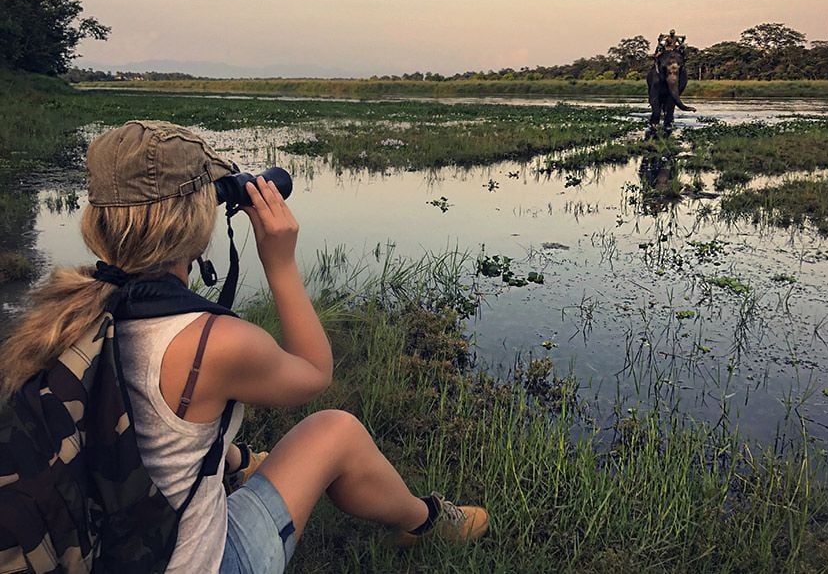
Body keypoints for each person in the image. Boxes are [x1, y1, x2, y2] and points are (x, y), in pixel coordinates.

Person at [0, 121, 488, 573]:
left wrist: (233, 459)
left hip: (93, 547)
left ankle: (237, 462)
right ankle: (425, 522)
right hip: (189, 562)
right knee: (335, 429)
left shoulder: (63, 308)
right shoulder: (214, 344)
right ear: (194, 219)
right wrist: (279, 262)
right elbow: (314, 373)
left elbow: (119, 422)